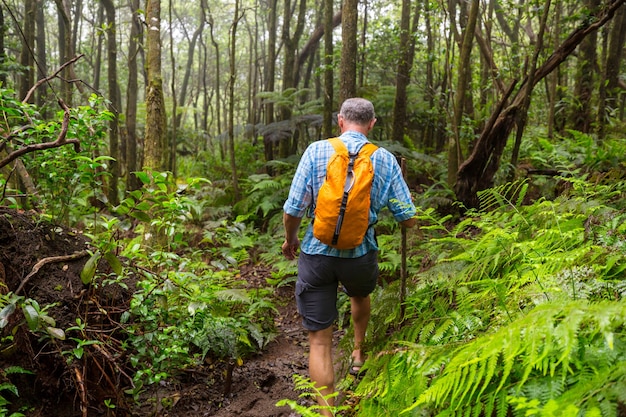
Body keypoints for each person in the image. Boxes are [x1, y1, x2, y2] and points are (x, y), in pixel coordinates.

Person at [282, 97, 417, 416]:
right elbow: (408, 218)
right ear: (371, 124)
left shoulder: (316, 151)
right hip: (360, 253)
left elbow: (293, 209)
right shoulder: (384, 159)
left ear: (340, 121)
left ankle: (326, 413)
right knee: (360, 294)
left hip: (317, 254)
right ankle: (358, 352)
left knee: (319, 341)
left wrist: (291, 240)